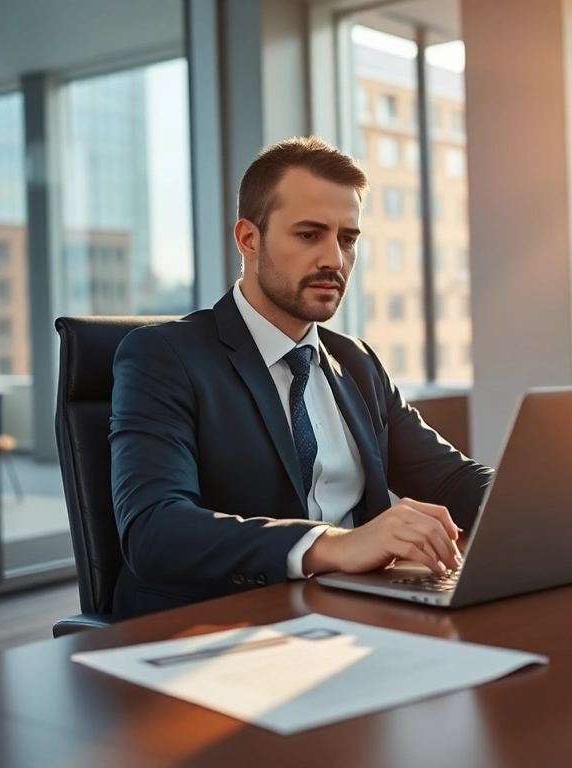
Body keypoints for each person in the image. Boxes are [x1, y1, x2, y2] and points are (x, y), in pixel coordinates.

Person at [109, 136, 493, 618]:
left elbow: (453, 478)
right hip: (222, 626)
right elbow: (154, 529)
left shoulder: (354, 361)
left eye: (347, 239)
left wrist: (557, 508)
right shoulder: (164, 357)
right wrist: (333, 545)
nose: (334, 259)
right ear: (249, 239)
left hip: (356, 616)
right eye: (309, 235)